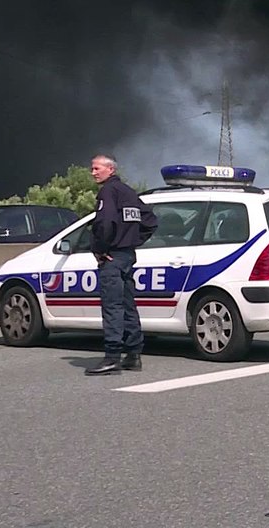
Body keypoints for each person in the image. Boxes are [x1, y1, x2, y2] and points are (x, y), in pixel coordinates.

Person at [86, 154, 158, 376]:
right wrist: (132, 241)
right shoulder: (128, 192)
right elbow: (151, 221)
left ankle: (112, 357)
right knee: (128, 305)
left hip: (113, 258)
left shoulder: (108, 191)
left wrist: (101, 249)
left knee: (113, 307)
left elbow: (105, 222)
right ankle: (133, 355)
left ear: (111, 170)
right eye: (92, 169)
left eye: (97, 168)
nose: (93, 172)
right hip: (127, 256)